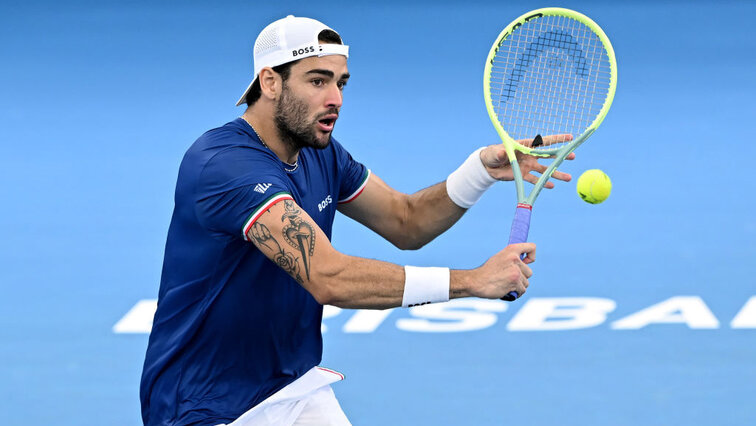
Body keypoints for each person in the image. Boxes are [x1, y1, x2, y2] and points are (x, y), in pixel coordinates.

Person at [140, 15, 573, 426]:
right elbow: (330, 277)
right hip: (204, 406)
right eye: (317, 81)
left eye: (341, 82)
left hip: (291, 389)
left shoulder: (321, 152)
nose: (336, 99)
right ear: (269, 81)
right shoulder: (225, 166)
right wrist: (471, 281)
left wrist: (479, 170)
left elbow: (407, 222)